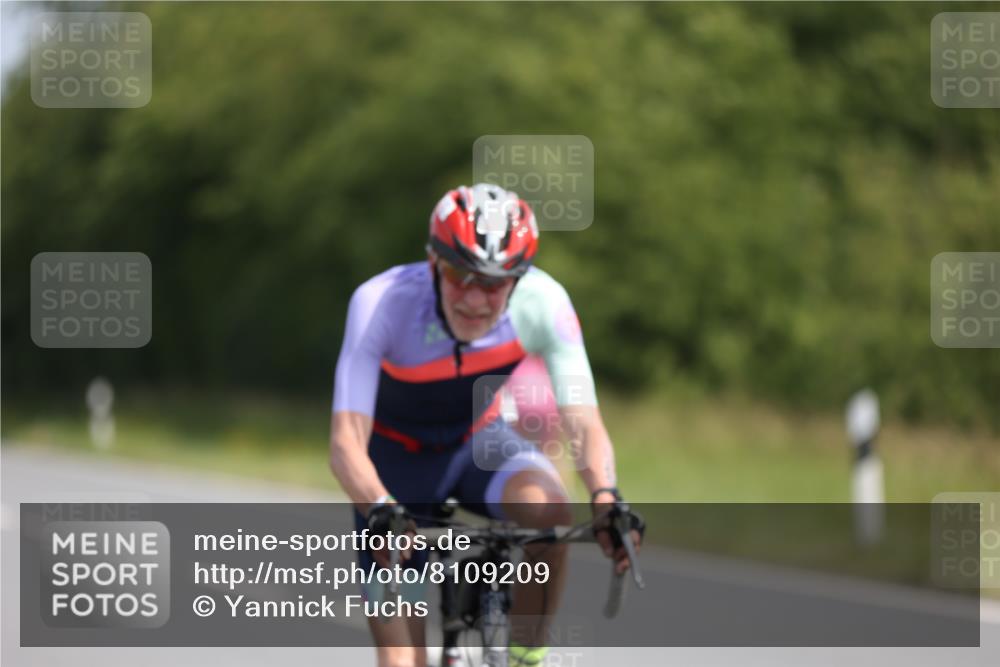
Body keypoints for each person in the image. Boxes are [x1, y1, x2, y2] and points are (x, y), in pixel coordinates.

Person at [329, 183, 641, 667]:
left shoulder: (544, 302)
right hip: (393, 469)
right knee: (400, 661)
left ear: (519, 278)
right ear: (433, 261)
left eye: (494, 283)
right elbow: (346, 444)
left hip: (479, 444)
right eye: (459, 274)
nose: (475, 298)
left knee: (551, 511)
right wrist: (379, 506)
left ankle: (524, 655)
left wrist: (605, 495)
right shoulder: (381, 302)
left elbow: (582, 420)